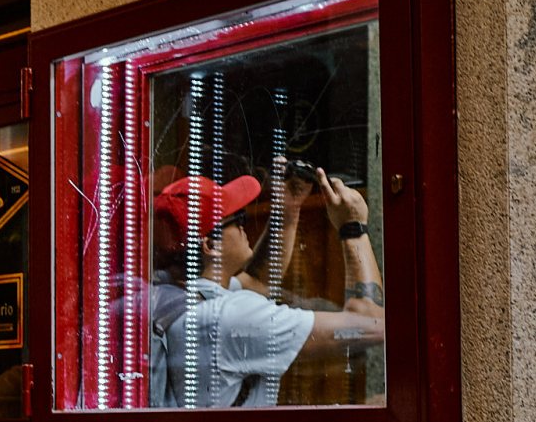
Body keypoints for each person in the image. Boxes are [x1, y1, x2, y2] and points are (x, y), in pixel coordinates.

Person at [151, 167, 385, 407]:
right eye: (238, 219)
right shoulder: (227, 317)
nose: (245, 226)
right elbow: (371, 324)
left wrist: (288, 209)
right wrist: (353, 227)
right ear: (211, 244)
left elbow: (258, 283)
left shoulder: (170, 294)